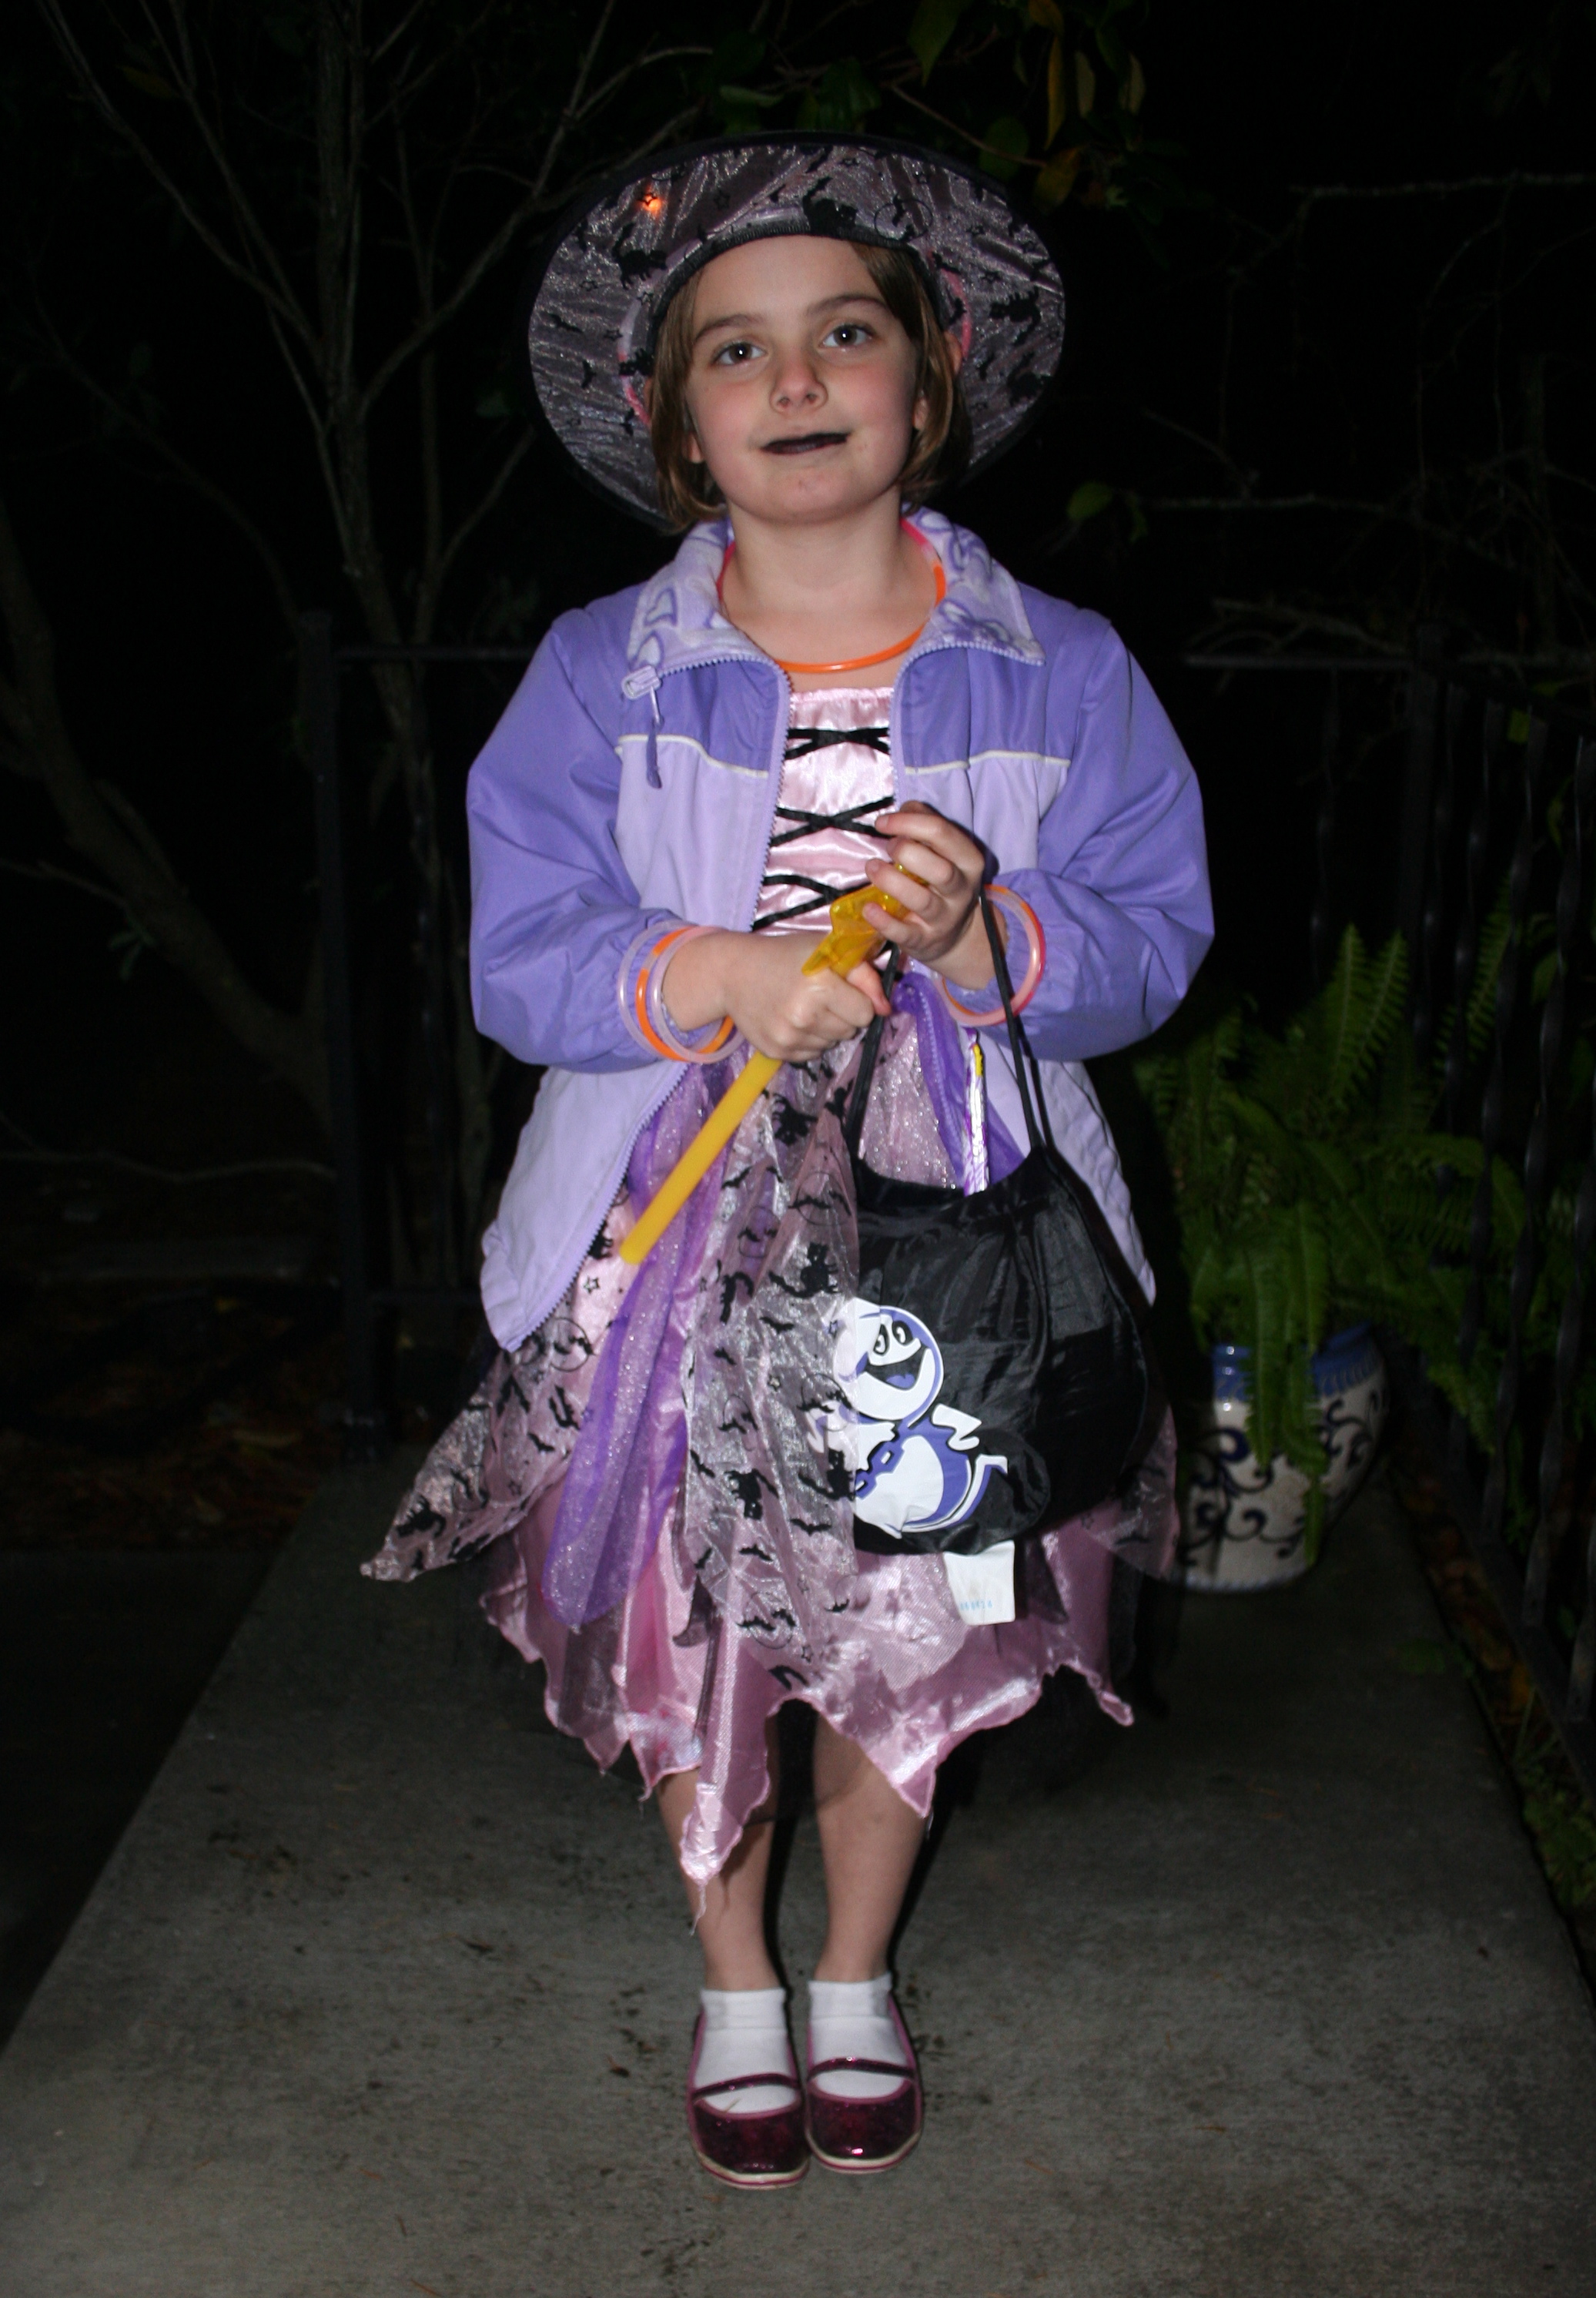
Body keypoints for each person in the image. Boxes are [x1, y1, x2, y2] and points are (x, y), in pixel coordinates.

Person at [365, 136, 1212, 2189]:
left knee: (916, 1604)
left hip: (955, 1237)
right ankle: (734, 1978)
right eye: (735, 350)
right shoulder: (598, 672)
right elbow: (520, 952)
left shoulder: (1065, 663)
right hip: (673, 1238)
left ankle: (852, 1970)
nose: (798, 376)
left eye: (845, 332)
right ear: (676, 425)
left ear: (928, 381)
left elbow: (1153, 932)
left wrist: (990, 943)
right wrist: (715, 972)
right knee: (707, 1619)